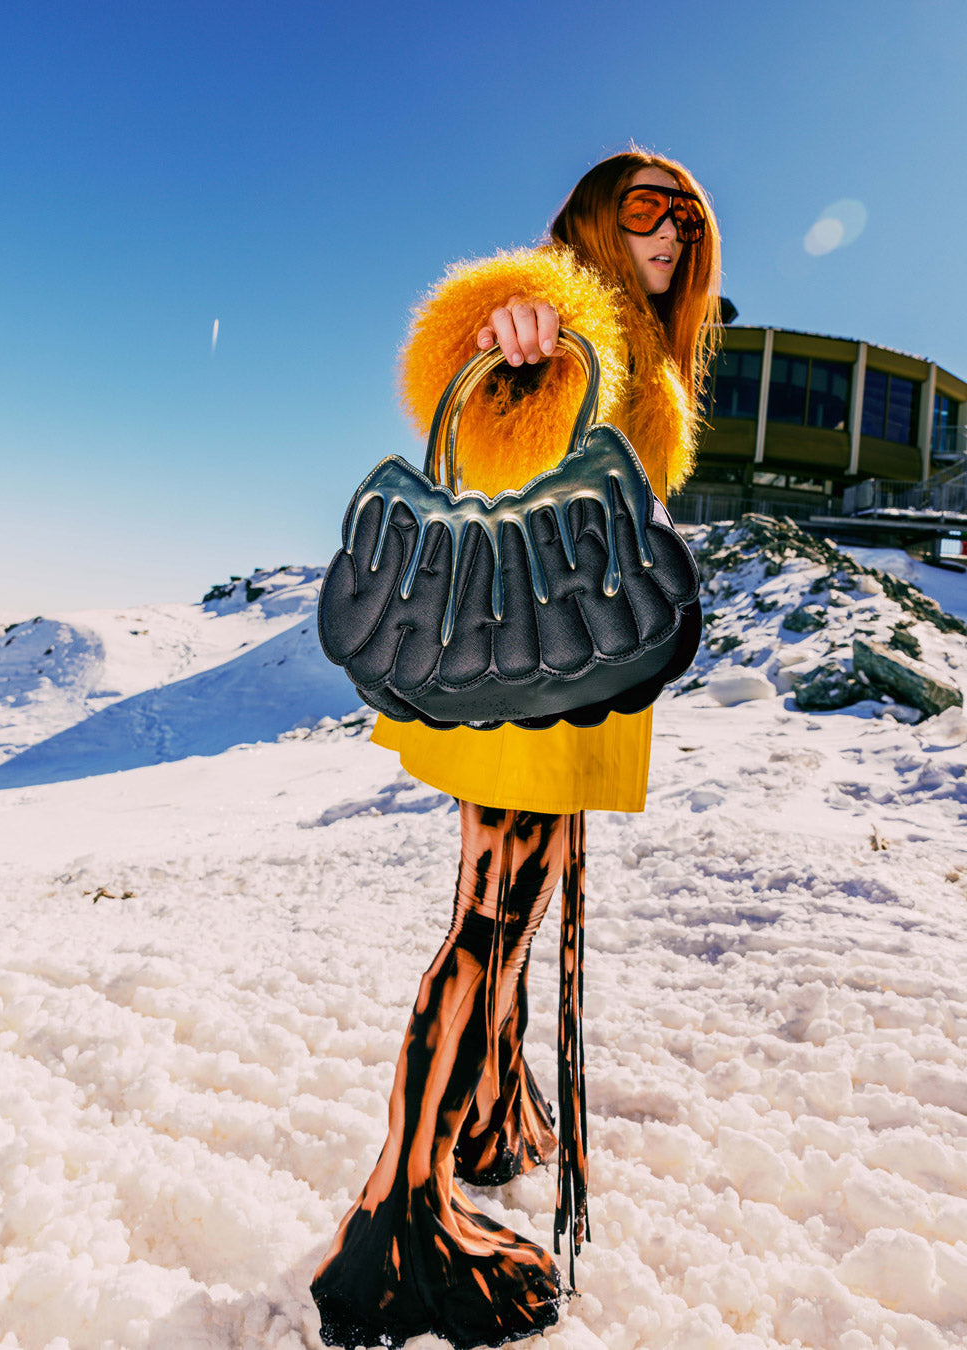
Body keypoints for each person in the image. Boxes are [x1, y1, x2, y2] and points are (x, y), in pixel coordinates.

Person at [311, 148, 722, 1350]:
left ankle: (488, 1112)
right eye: (648, 211)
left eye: (690, 222)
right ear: (598, 217)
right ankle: (399, 1216)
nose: (672, 234)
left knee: (515, 908)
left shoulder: (640, 342)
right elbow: (484, 343)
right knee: (490, 922)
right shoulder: (561, 300)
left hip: (563, 664)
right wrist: (508, 325)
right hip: (530, 668)